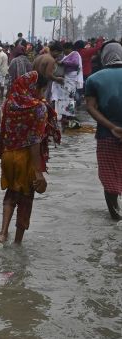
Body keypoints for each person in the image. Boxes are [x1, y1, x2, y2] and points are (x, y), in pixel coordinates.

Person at [0, 71, 61, 244]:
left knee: (11, 194)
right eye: (42, 90)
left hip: (8, 156)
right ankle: (17, 242)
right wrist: (38, 172)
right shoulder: (38, 108)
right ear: (36, 88)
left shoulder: (9, 103)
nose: (42, 95)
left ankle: (2, 233)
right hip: (26, 159)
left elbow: (3, 131)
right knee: (25, 199)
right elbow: (35, 142)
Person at [85, 41, 122, 220]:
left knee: (110, 179)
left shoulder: (94, 79)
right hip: (110, 133)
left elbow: (91, 108)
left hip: (107, 135)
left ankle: (115, 217)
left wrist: (112, 127)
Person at [51, 42, 82, 127]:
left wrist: (63, 63)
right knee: (65, 97)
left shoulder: (75, 54)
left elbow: (75, 63)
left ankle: (69, 116)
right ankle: (64, 116)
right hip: (67, 78)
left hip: (71, 78)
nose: (64, 52)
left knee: (69, 97)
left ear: (68, 48)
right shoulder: (69, 55)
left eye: (64, 50)